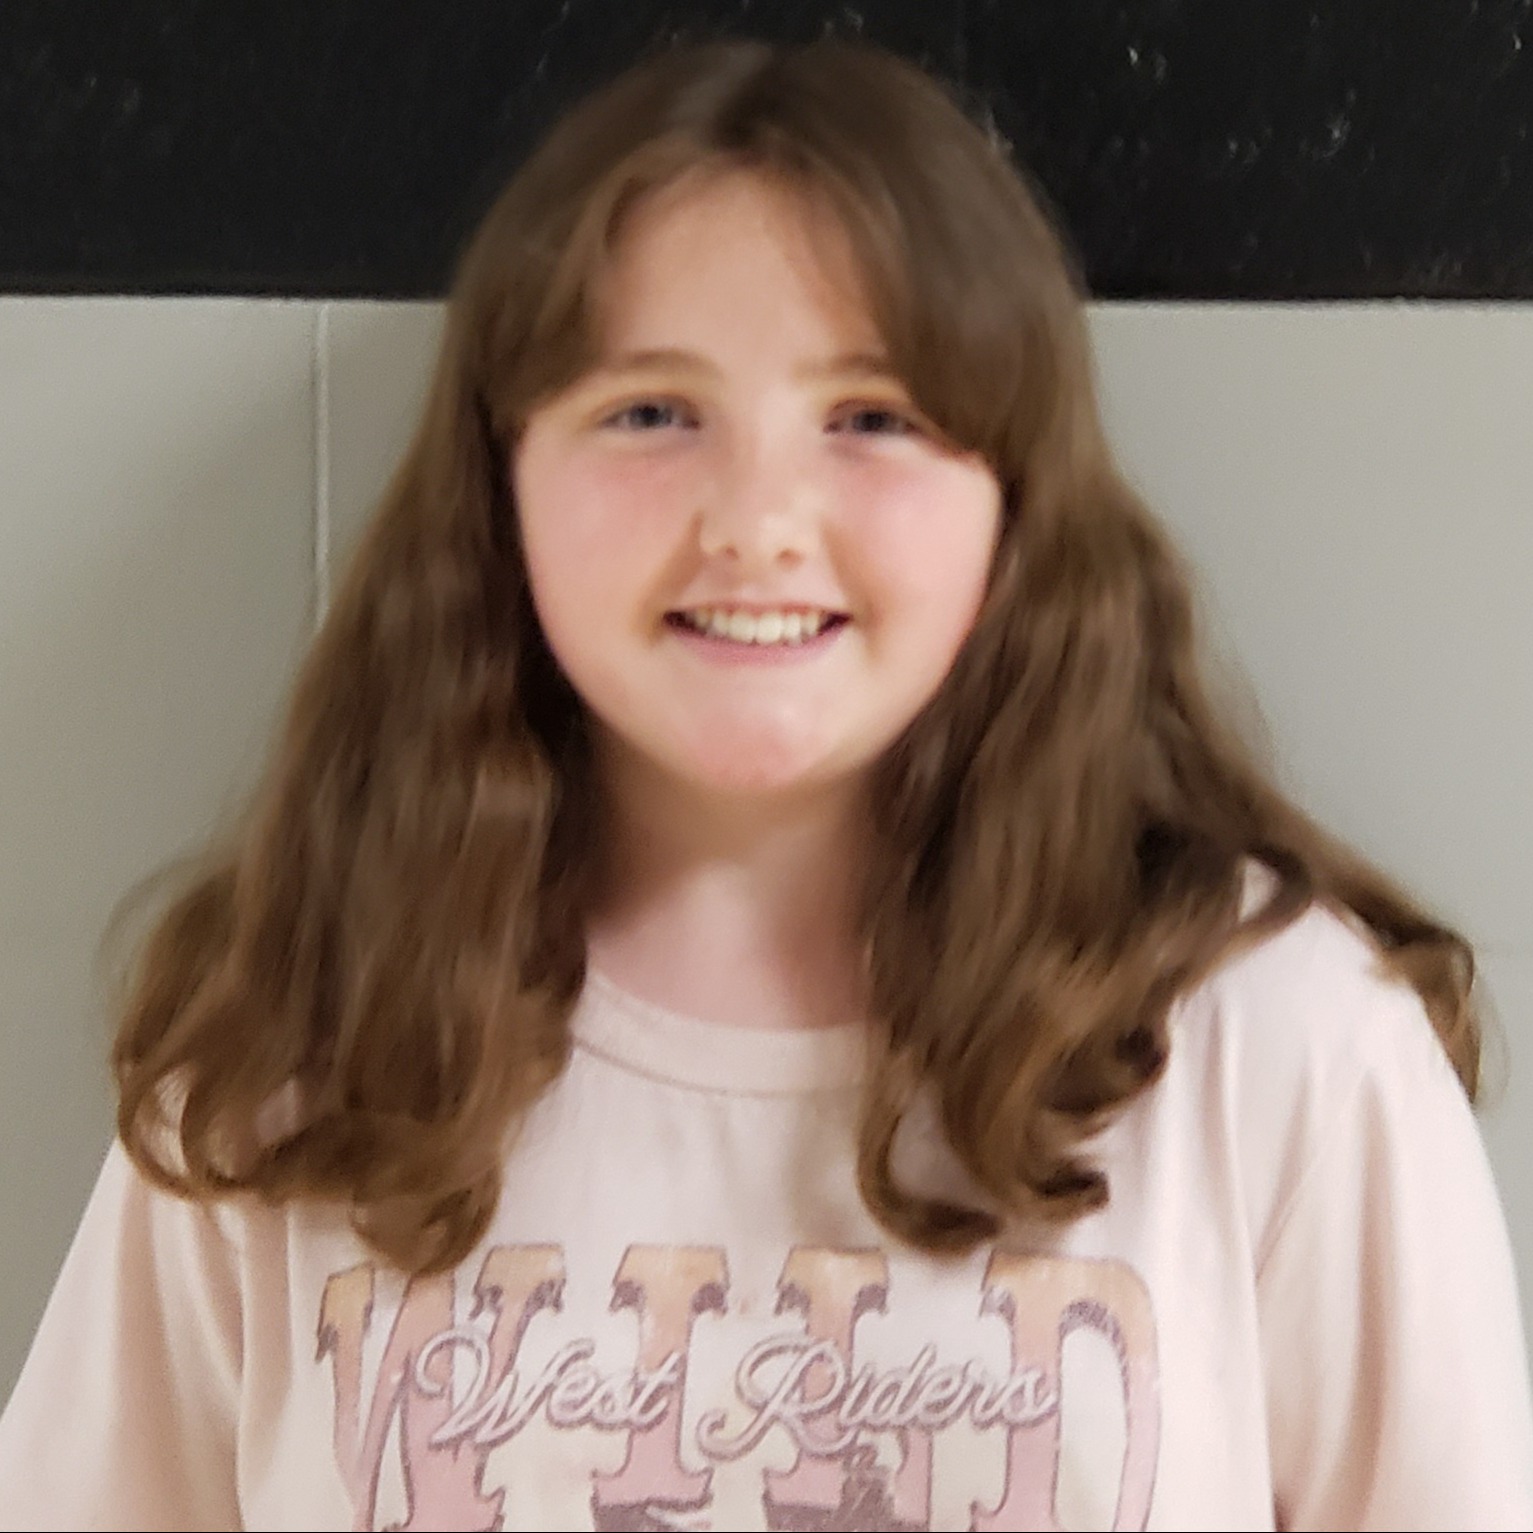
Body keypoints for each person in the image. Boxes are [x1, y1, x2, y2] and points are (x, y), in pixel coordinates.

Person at [0, 33, 1529, 1532]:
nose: (757, 520)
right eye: (650, 411)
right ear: (500, 480)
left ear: (1013, 503)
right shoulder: (295, 1051)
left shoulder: (1285, 1047)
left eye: (872, 416)